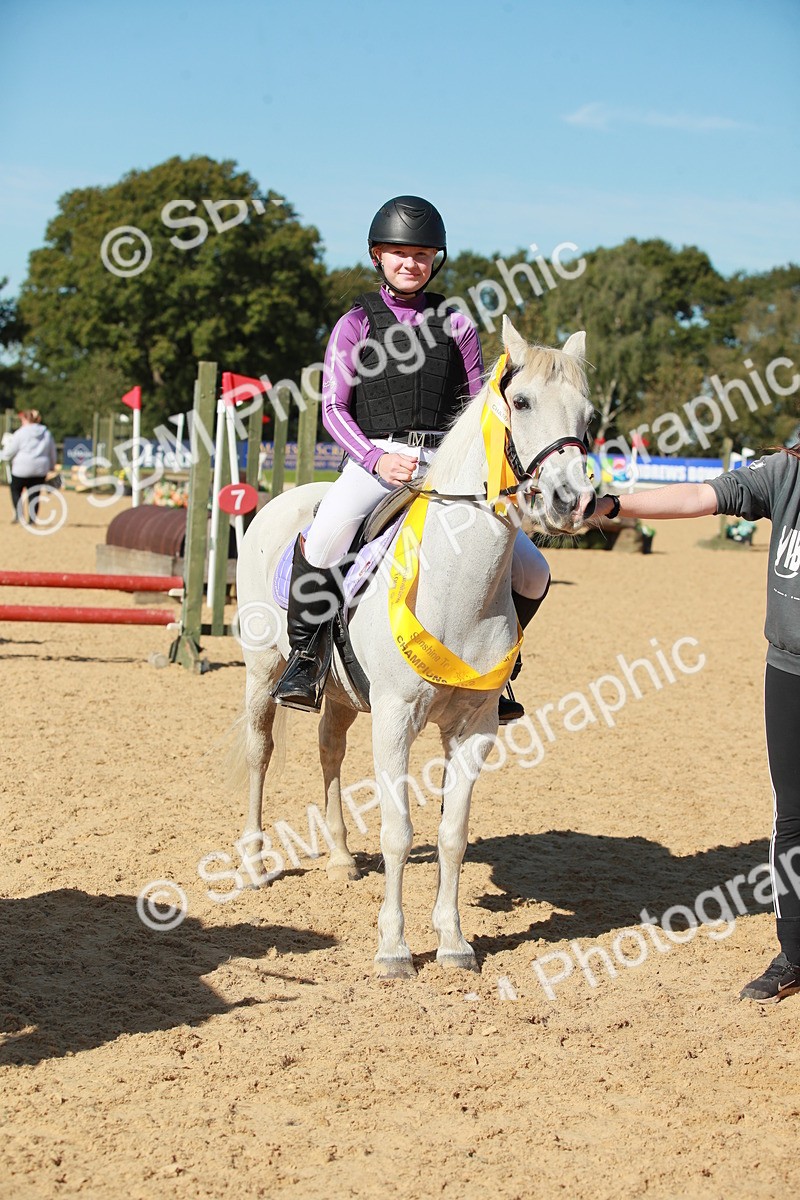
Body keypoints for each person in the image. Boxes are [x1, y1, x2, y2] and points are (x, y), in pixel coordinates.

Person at [271, 195, 551, 721]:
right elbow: (333, 407)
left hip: (445, 466)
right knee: (326, 537)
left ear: (435, 260)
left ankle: (500, 669)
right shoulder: (355, 324)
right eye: (399, 253)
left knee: (534, 571)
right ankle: (305, 663)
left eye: (422, 254)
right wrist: (376, 460)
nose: (411, 263)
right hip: (374, 459)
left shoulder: (457, 326)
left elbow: (476, 408)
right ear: (378, 255)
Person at [594, 446, 800, 1003]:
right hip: (790, 667)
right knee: (793, 814)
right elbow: (699, 496)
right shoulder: (787, 473)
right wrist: (615, 506)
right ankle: (796, 954)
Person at [1, 410, 57, 525]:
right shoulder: (46, 433)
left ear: (26, 419)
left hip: (21, 468)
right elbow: (52, 452)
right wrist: (51, 466)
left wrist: (2, 455)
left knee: (15, 490)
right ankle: (32, 519)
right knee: (35, 493)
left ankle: (19, 515)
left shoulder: (21, 433)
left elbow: (9, 452)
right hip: (40, 469)